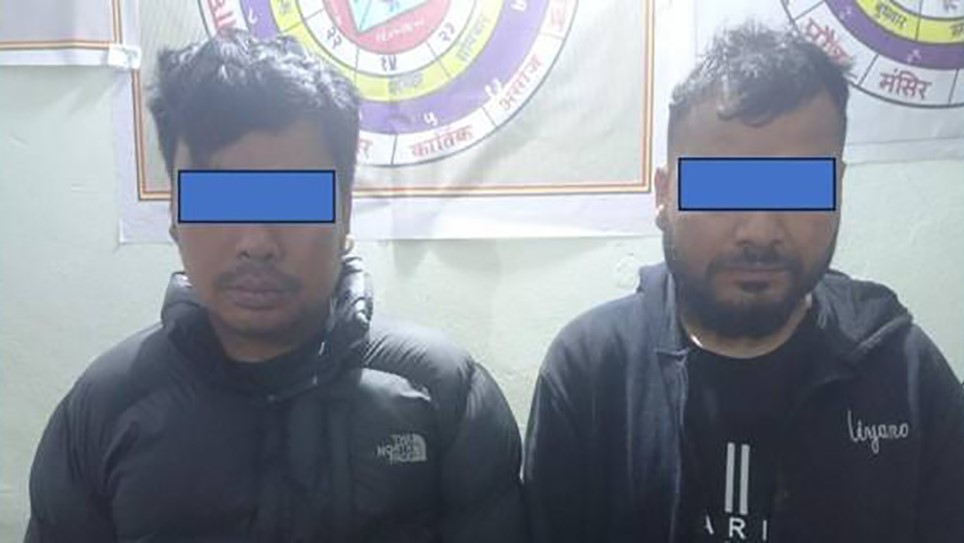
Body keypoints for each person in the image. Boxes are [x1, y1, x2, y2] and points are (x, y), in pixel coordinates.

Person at [26, 30, 527, 543]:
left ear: (344, 211)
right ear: (175, 213)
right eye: (220, 199)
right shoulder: (103, 411)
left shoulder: (444, 395)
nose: (257, 242)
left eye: (293, 197)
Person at [524, 22, 964, 543]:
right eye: (722, 186)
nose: (759, 230)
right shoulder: (591, 370)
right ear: (664, 195)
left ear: (838, 188)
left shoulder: (905, 374)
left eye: (797, 188)